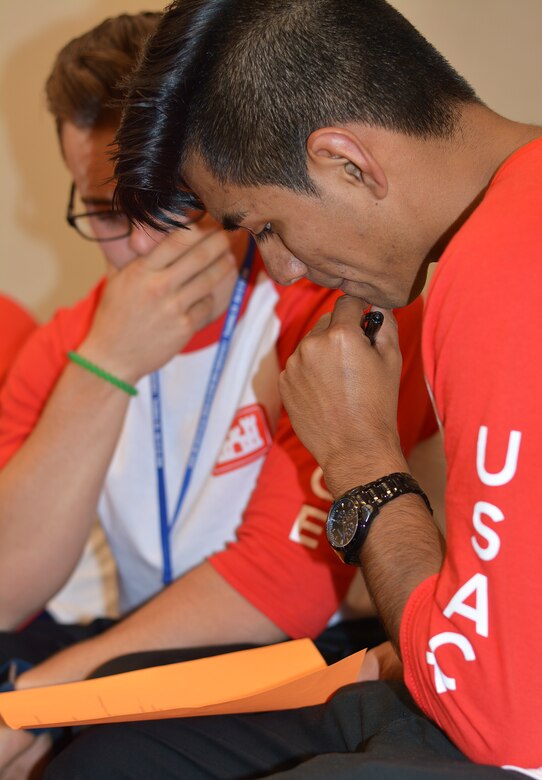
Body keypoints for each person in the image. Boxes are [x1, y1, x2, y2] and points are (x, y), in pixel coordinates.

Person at [43, 0, 541, 777]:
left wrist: (361, 457)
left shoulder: (503, 277)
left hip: (494, 716)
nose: (277, 265)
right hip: (473, 686)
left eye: (264, 226)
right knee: (116, 756)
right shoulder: (499, 239)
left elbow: (492, 715)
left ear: (349, 161)